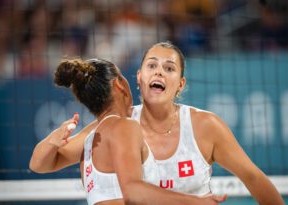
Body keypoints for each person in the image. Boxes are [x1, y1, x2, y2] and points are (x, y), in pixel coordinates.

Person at [29, 58, 226, 205]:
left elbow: (38, 164)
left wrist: (50, 141)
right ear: (119, 84)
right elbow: (133, 191)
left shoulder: (92, 135)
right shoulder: (123, 126)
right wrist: (196, 201)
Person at [132, 41, 285, 204]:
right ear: (140, 76)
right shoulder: (118, 126)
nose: (159, 72)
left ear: (180, 84)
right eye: (152, 65)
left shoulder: (205, 126)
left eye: (169, 68)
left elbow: (253, 178)